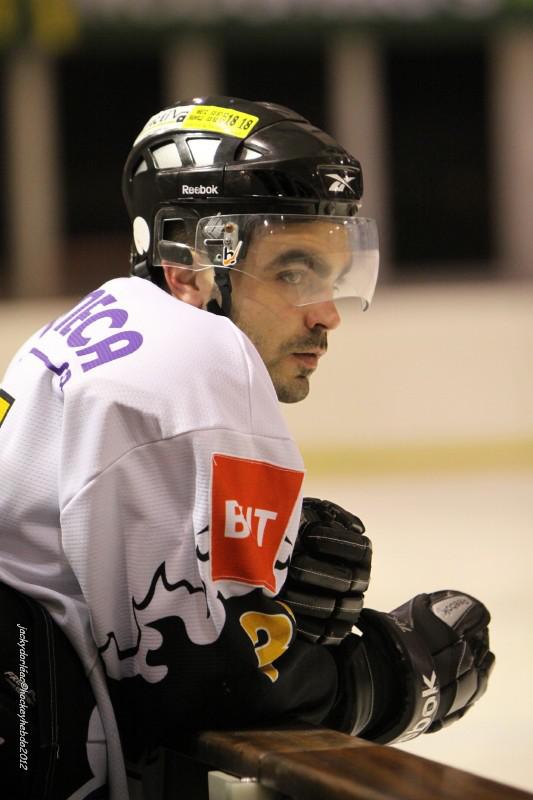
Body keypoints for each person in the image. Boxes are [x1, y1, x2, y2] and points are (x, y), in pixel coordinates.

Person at [0, 97, 494, 800]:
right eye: (293, 272)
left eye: (333, 275)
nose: (327, 313)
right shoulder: (197, 353)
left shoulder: (89, 327)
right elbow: (206, 683)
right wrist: (392, 676)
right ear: (187, 265)